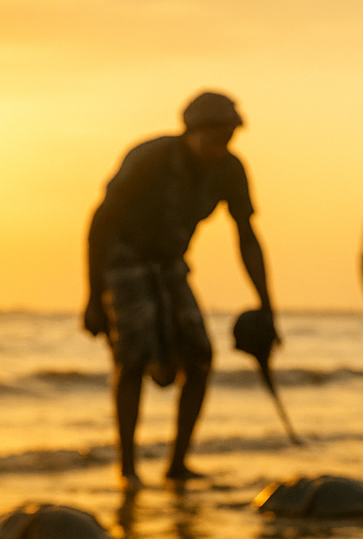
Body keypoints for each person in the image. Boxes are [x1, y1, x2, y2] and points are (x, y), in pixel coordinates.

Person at [83, 90, 275, 487]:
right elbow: (100, 224)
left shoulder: (230, 170)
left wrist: (267, 305)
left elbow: (247, 235)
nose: (219, 148)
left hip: (172, 265)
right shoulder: (149, 159)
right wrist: (93, 297)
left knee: (200, 356)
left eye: (227, 139)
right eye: (211, 138)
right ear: (189, 132)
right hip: (125, 262)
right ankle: (129, 468)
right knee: (132, 358)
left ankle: (177, 464)